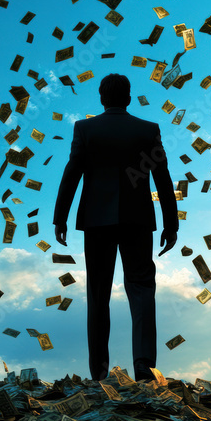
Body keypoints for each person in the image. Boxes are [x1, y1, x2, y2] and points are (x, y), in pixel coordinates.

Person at [53, 73, 178, 382]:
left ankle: (99, 372)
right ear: (129, 97)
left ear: (101, 98)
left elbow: (72, 172)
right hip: (138, 221)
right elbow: (162, 178)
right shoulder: (148, 129)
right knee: (142, 289)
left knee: (98, 294)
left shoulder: (85, 128)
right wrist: (170, 223)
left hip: (96, 221)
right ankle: (144, 367)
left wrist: (60, 217)